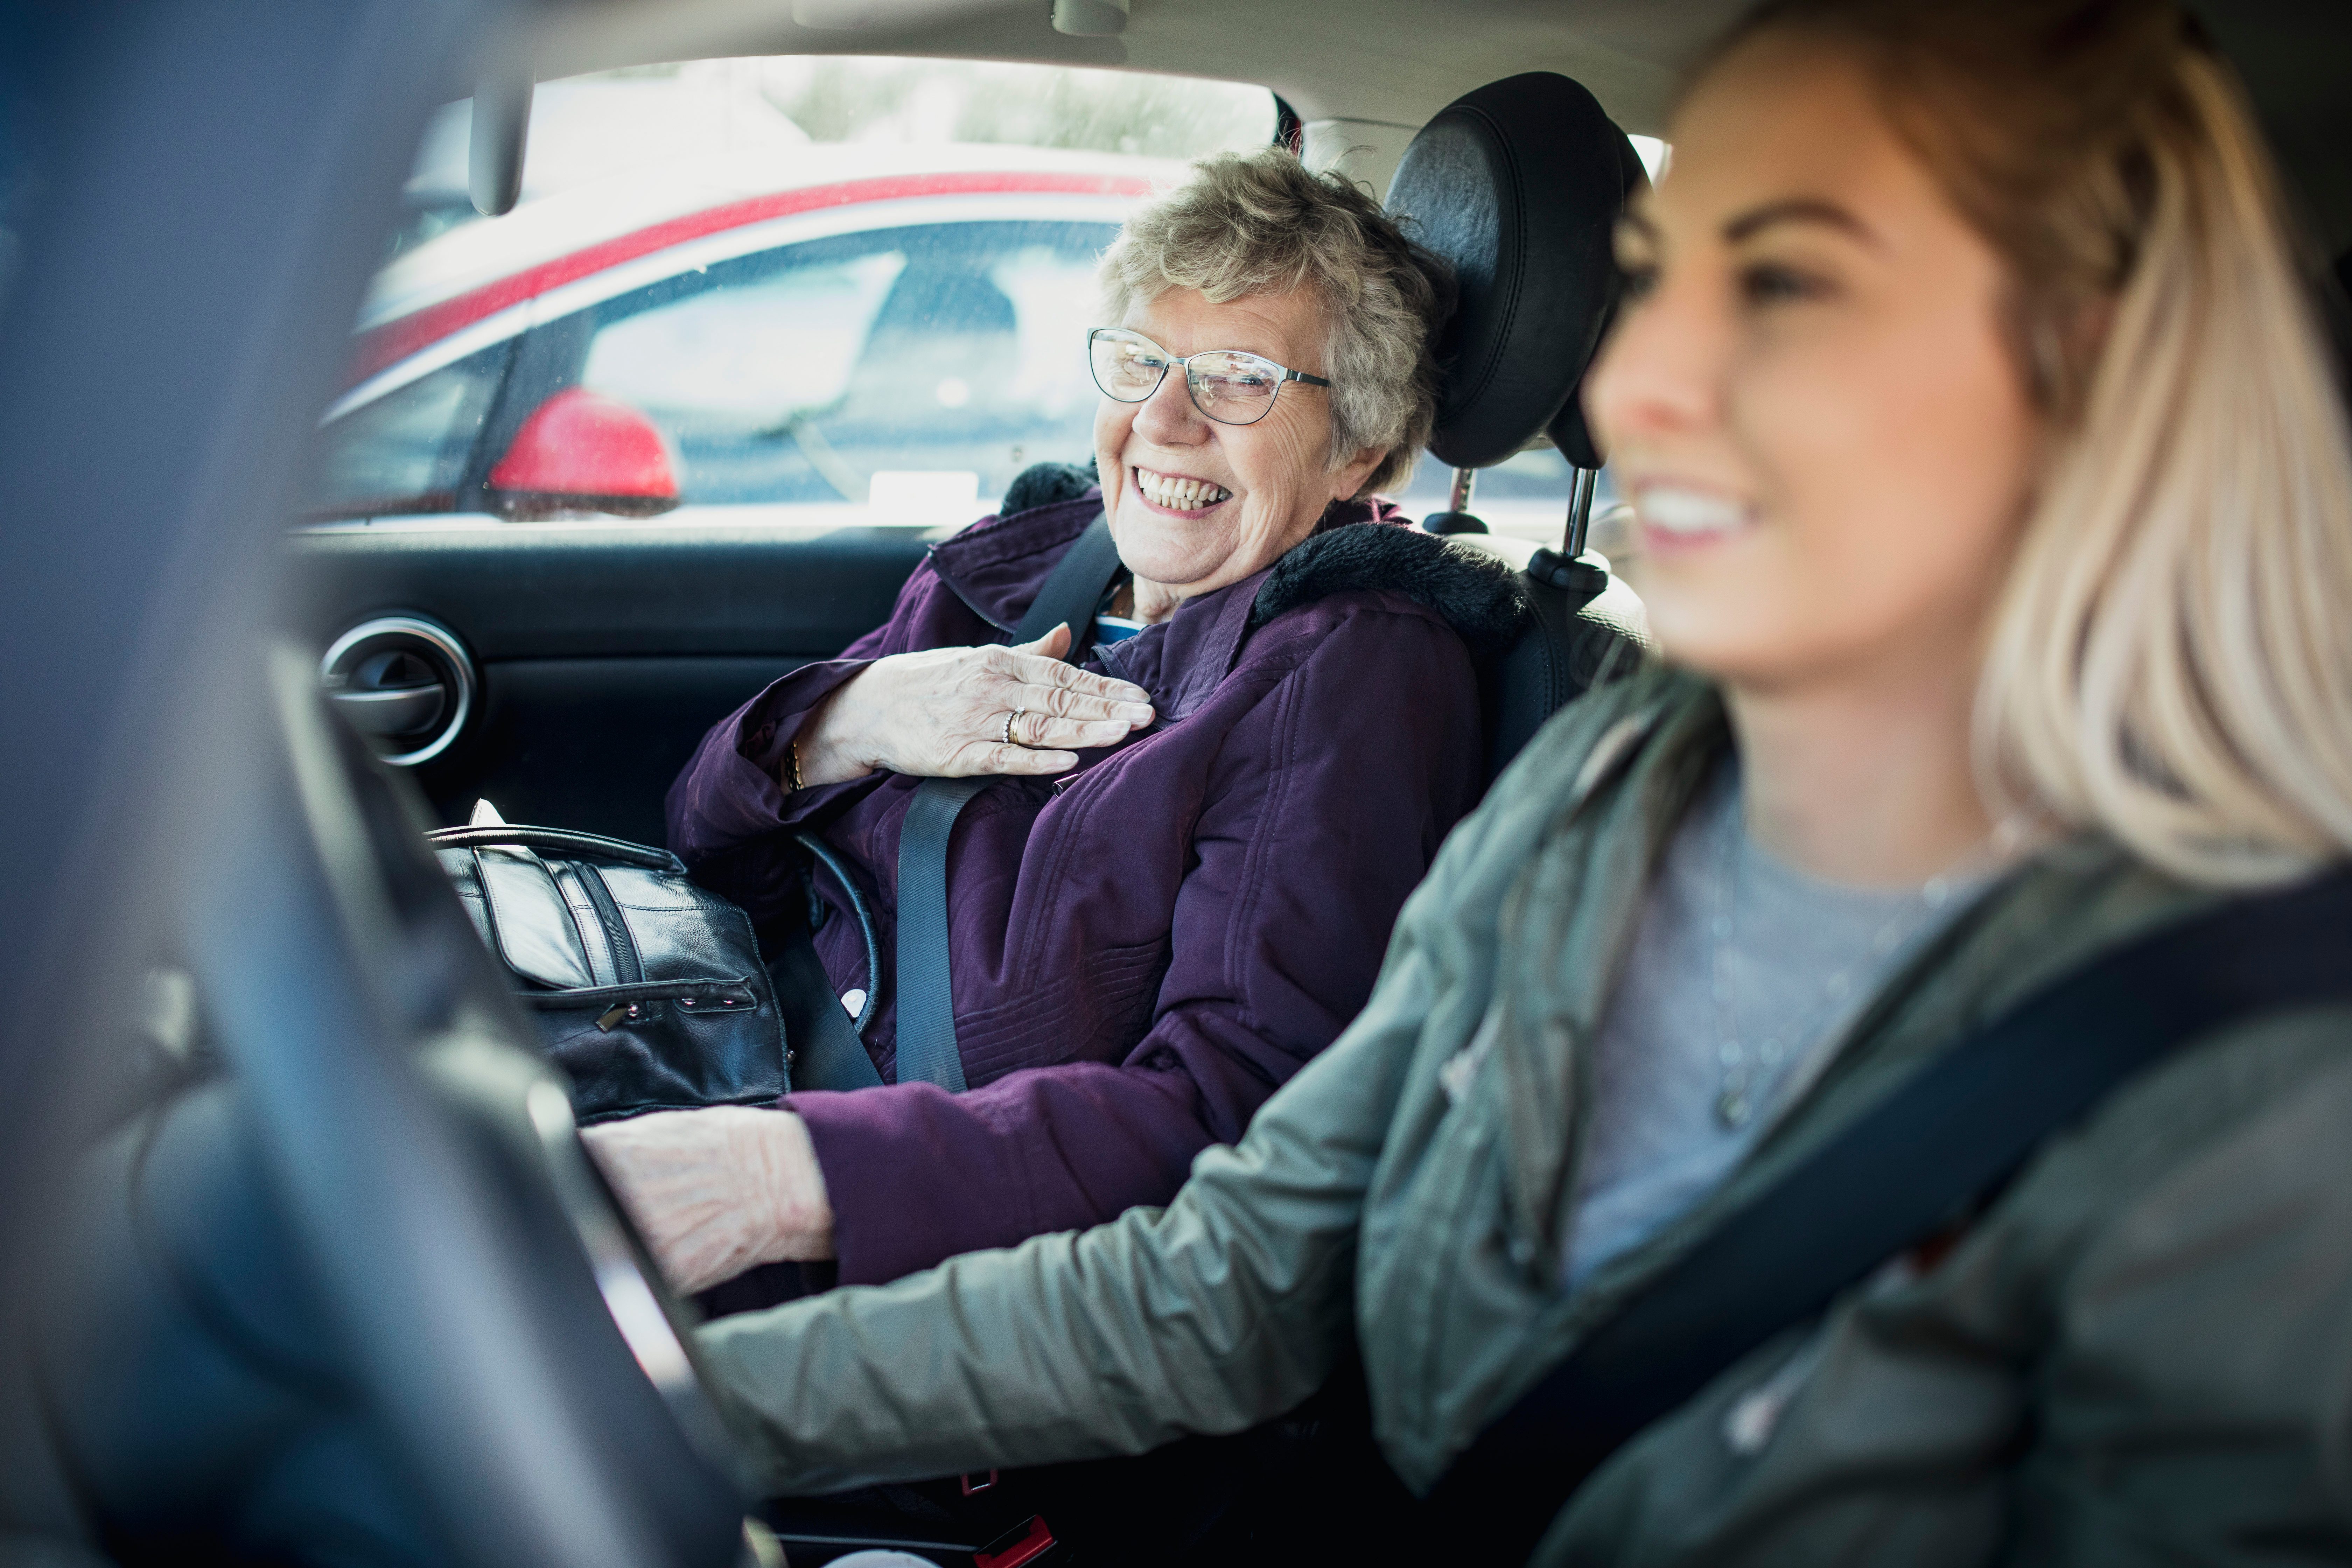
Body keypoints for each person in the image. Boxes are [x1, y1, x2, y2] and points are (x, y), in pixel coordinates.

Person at [674, 1, 2352, 1562]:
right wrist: (685, 1415)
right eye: (1668, 287)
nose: (1638, 387)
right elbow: (1231, 1281)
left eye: (1787, 288)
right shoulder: (1613, 793)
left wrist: (778, 1193)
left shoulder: (2252, 1084)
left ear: (2081, 374)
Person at [583, 147, 1524, 1300]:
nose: (1164, 420)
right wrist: (848, 721)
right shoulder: (1028, 565)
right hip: (726, 1066)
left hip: (926, 1264)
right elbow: (705, 840)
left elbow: (1235, 1121)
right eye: (1141, 362)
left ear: (1360, 449)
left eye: (1237, 380)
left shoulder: (1353, 671)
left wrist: (776, 1178)